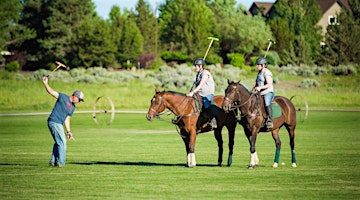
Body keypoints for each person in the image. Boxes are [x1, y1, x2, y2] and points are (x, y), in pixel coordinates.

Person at [42, 76, 84, 167]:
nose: (79, 101)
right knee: (62, 142)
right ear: (75, 97)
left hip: (59, 123)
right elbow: (52, 93)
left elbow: (67, 119)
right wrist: (46, 83)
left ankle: (53, 161)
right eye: (79, 100)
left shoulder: (73, 108)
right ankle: (61, 162)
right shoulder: (62, 97)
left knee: (58, 142)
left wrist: (69, 131)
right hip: (54, 121)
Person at [187, 58, 217, 129]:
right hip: (199, 94)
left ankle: (213, 121)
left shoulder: (205, 73)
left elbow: (201, 85)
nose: (195, 67)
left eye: (196, 66)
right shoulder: (198, 74)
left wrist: (192, 92)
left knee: (206, 104)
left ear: (201, 66)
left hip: (207, 93)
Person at [253, 57, 274, 129]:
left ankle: (270, 120)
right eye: (257, 64)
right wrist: (254, 89)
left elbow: (269, 84)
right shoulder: (259, 73)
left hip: (267, 92)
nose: (257, 66)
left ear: (263, 65)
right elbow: (256, 83)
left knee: (266, 103)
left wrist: (260, 88)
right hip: (259, 93)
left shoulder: (267, 73)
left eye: (259, 64)